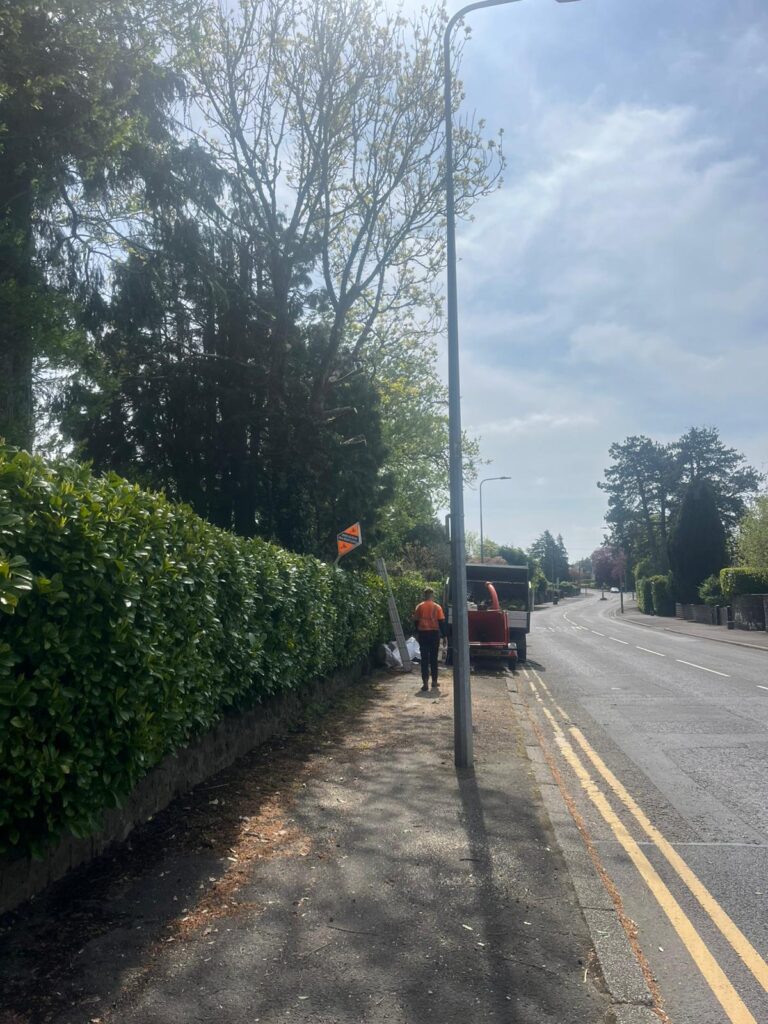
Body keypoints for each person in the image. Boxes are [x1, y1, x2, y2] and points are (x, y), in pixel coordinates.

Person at [413, 587, 446, 691]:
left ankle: (425, 683)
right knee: (433, 659)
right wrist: (444, 636)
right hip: (434, 634)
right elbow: (441, 622)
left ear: (424, 595)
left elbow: (416, 621)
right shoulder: (437, 607)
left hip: (423, 634)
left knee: (424, 659)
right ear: (432, 595)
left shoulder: (419, 607)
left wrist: (417, 633)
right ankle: (434, 682)